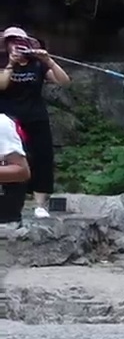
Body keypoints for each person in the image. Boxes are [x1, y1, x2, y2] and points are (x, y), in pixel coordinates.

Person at [0, 27, 69, 224]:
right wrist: (12, 63)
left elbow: (64, 82)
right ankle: (10, 202)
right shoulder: (2, 61)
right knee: (11, 160)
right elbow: (2, 84)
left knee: (42, 158)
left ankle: (40, 205)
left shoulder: (37, 63)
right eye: (11, 41)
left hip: (36, 117)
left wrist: (49, 61)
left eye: (19, 40)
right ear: (6, 44)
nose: (16, 44)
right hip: (8, 122)